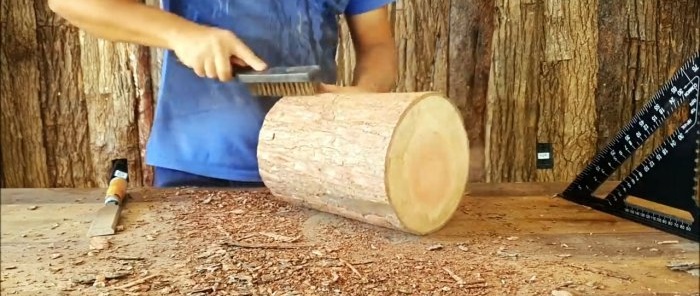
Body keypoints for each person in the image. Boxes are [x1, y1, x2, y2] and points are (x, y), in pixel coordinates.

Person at [48, 0, 398, 188]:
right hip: (195, 168)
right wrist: (183, 34)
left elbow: (378, 45)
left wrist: (365, 95)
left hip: (309, 168)